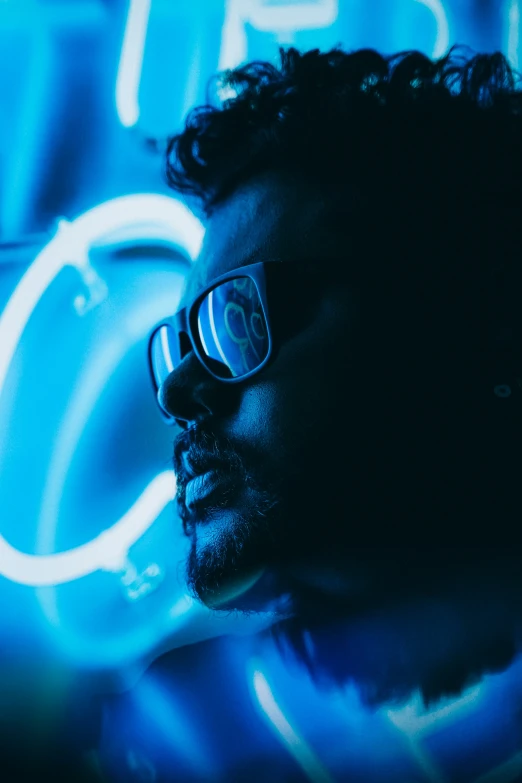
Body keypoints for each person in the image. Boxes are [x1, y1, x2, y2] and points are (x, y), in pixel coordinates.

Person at [149, 44, 522, 713]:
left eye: (235, 320)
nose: (179, 391)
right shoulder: (169, 725)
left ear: (443, 307)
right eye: (177, 345)